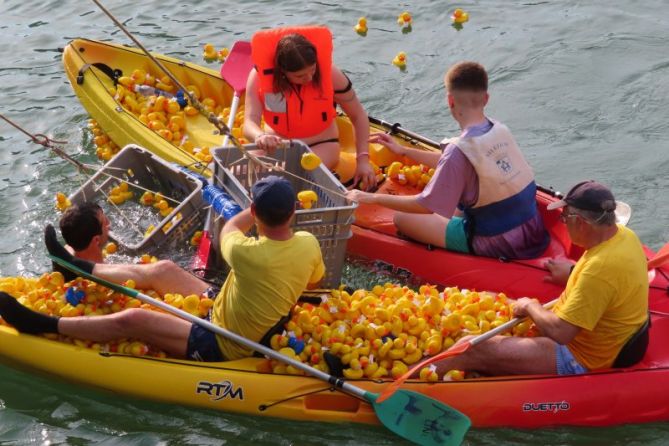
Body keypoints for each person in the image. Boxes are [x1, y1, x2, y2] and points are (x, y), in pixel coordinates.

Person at [0, 176, 325, 362]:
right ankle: (76, 267)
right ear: (293, 212)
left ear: (255, 211)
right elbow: (315, 279)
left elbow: (231, 228)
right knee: (164, 270)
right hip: (225, 307)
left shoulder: (243, 251)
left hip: (224, 340)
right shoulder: (309, 244)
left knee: (134, 319)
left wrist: (245, 213)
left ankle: (42, 323)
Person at [430, 181, 649, 376]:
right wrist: (572, 273)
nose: (563, 222)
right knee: (490, 299)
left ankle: (415, 380)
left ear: (581, 222)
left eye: (564, 217)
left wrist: (531, 306)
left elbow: (561, 333)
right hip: (602, 333)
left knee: (470, 347)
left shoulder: (599, 269)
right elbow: (606, 281)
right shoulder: (624, 236)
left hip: (580, 355)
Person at [347, 61, 549, 259]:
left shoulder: (458, 150)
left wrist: (369, 198)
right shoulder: (498, 129)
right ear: (486, 98)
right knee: (456, 206)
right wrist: (404, 151)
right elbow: (460, 164)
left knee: (402, 218)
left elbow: (425, 206)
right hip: (533, 228)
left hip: (497, 241)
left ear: (450, 101)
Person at [243, 25, 377, 189]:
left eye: (312, 70)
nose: (308, 78)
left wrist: (363, 160)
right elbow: (249, 121)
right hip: (277, 147)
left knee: (289, 179)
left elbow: (358, 116)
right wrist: (259, 137)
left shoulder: (332, 75)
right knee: (247, 175)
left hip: (321, 144)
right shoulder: (259, 77)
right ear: (282, 71)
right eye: (300, 76)